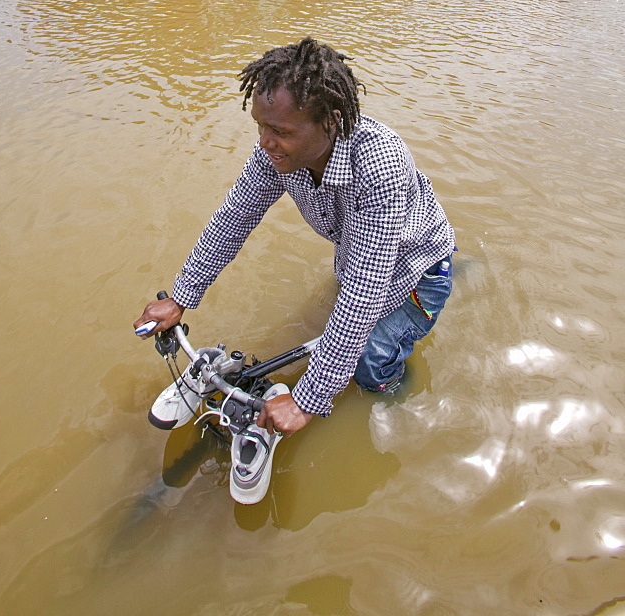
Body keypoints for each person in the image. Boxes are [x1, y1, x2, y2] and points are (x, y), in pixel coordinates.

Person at [134, 37, 455, 439]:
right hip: (357, 255)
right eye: (261, 127)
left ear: (331, 121)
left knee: (371, 364)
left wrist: (308, 398)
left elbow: (366, 286)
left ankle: (391, 395)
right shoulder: (276, 154)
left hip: (415, 271)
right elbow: (235, 217)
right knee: (345, 321)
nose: (266, 141)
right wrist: (181, 296)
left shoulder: (380, 164)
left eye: (280, 130)